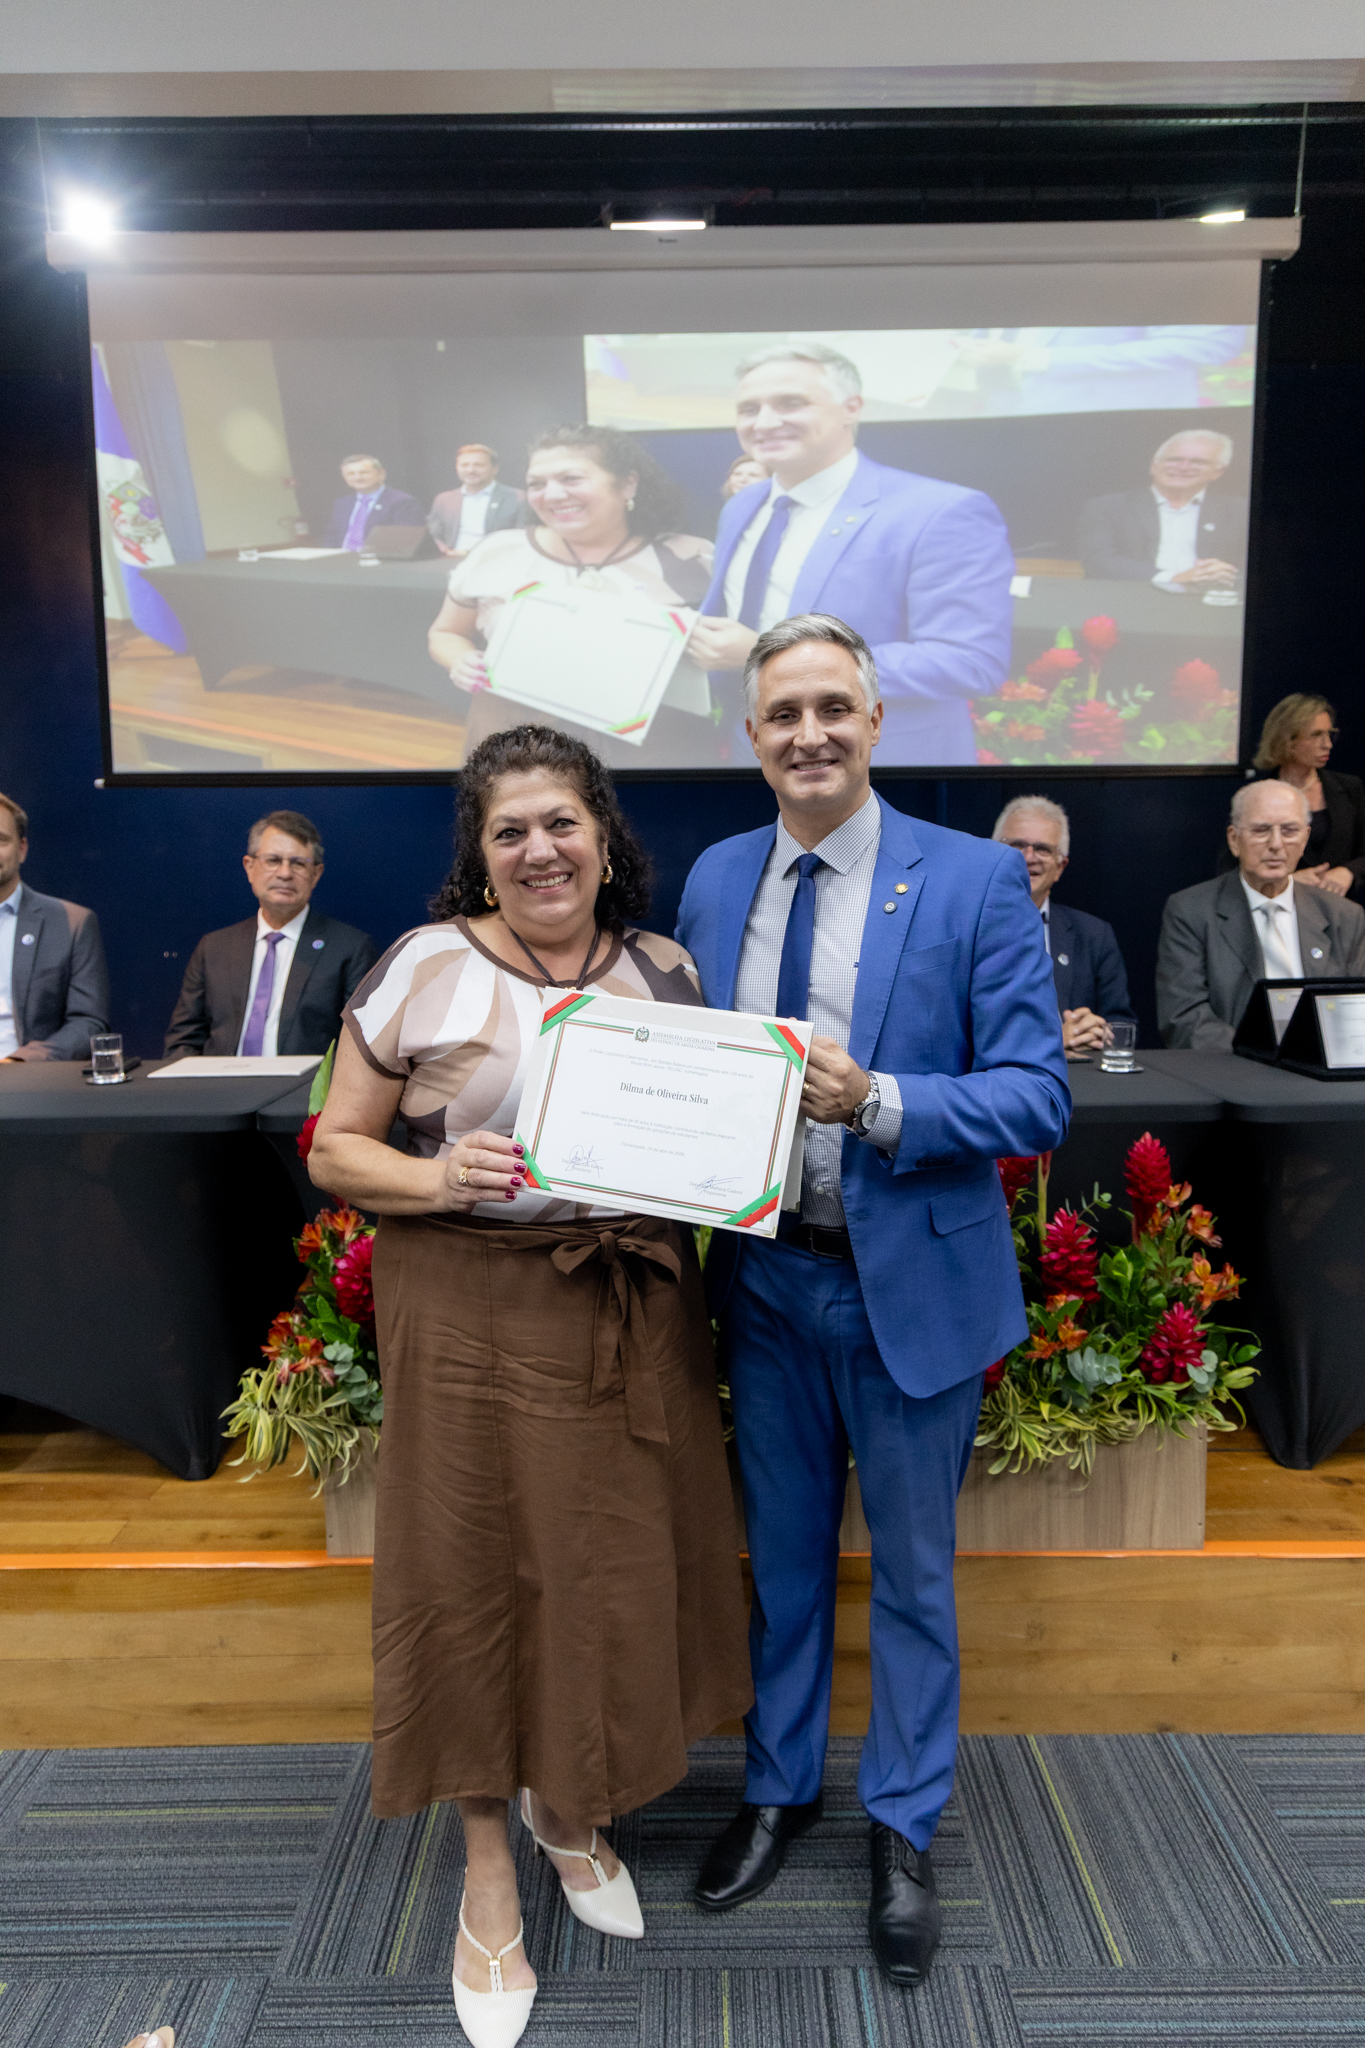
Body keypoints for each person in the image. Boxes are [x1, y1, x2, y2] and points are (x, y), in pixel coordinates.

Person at [307, 724, 751, 2048]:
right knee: (473, 1578)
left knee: (604, 1568)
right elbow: (335, 1150)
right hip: (468, 1311)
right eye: (509, 830)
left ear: (604, 837)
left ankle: (570, 1809)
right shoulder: (426, 966)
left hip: (628, 1310)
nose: (540, 849)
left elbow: (715, 1136)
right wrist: (437, 1174)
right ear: (480, 853)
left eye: (562, 822)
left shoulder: (667, 970)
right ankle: (489, 1871)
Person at [675, 614, 1069, 1987]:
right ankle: (778, 1789)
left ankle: (902, 1826)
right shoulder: (717, 878)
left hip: (910, 1290)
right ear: (751, 735)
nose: (811, 734)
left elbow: (1035, 1094)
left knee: (910, 1578)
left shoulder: (972, 879)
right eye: (784, 713)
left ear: (878, 721)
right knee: (781, 1566)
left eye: (834, 706)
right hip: (767, 1283)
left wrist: (881, 1099)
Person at [687, 343, 1014, 767]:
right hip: (752, 760)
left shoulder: (941, 511)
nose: (764, 422)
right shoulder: (742, 506)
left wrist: (773, 655)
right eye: (749, 409)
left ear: (851, 408)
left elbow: (969, 662)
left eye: (790, 403)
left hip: (882, 771)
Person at [427, 424, 718, 769]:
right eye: (537, 484)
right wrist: (460, 660)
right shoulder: (498, 552)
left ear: (627, 484)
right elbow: (445, 632)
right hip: (518, 750)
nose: (552, 494)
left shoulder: (693, 557)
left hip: (651, 754)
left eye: (571, 479)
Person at [1157, 780, 1365, 1051]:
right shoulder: (1191, 911)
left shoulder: (1344, 916)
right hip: (1234, 1067)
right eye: (1260, 830)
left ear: (1305, 839)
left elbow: (1357, 1010)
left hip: (1321, 1067)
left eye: (1289, 831)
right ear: (1234, 839)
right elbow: (1184, 1019)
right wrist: (1262, 1058)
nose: (1276, 844)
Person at [165, 811, 375, 1058]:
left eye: (298, 863)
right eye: (273, 860)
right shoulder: (214, 948)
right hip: (220, 1082)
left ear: (316, 874)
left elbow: (363, 1048)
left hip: (307, 1083)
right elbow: (183, 1041)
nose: (285, 873)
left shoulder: (349, 949)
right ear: (250, 867)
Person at [991, 795, 1135, 1056]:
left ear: (1060, 867)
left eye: (1043, 849)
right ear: (992, 854)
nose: (1029, 857)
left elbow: (1120, 1025)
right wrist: (1054, 1038)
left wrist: (1096, 1031)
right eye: (1017, 845)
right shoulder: (960, 928)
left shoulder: (1094, 935)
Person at [1220, 695, 1365, 904]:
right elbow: (1229, 870)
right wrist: (1287, 881)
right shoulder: (1256, 796)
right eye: (1316, 735)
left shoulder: (1350, 788)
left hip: (1339, 910)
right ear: (1288, 740)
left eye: (1330, 734)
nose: (1327, 745)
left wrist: (1348, 871)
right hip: (1277, 907)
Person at [0, 791, 110, 1063]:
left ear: (22, 849)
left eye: (0, 840)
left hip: (26, 1078)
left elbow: (88, 1024)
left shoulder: (72, 923)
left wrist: (19, 1062)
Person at [1077, 430, 1246, 589]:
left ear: (1218, 471)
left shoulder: (1240, 511)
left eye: (1198, 462)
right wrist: (1172, 578)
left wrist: (1227, 574)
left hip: (1211, 600)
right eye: (1174, 459)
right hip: (1132, 596)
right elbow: (1097, 560)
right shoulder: (1109, 507)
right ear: (1154, 466)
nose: (1183, 467)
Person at [953, 325, 1247, 414]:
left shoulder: (1177, 261)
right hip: (1006, 418)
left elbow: (1204, 344)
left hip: (1116, 432)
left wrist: (1039, 357)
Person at [427, 444, 528, 558]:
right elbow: (433, 534)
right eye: (464, 465)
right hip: (449, 560)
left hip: (495, 560)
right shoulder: (444, 499)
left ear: (494, 469)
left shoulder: (517, 498)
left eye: (478, 465)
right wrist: (443, 549)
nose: (470, 470)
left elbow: (521, 539)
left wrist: (469, 554)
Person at [320, 455, 423, 548]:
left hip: (379, 559)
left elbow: (404, 541)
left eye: (364, 472)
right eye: (351, 474)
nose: (358, 478)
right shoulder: (342, 504)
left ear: (381, 473)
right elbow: (331, 538)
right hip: (341, 558)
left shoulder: (402, 502)